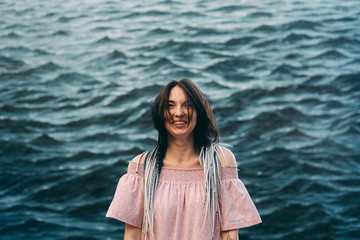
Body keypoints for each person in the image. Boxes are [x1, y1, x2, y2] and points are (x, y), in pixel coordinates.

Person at [106, 79, 261, 240]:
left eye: (187, 105)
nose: (178, 112)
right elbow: (132, 235)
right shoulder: (141, 167)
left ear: (198, 112)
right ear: (160, 113)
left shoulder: (221, 160)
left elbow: (229, 234)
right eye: (170, 105)